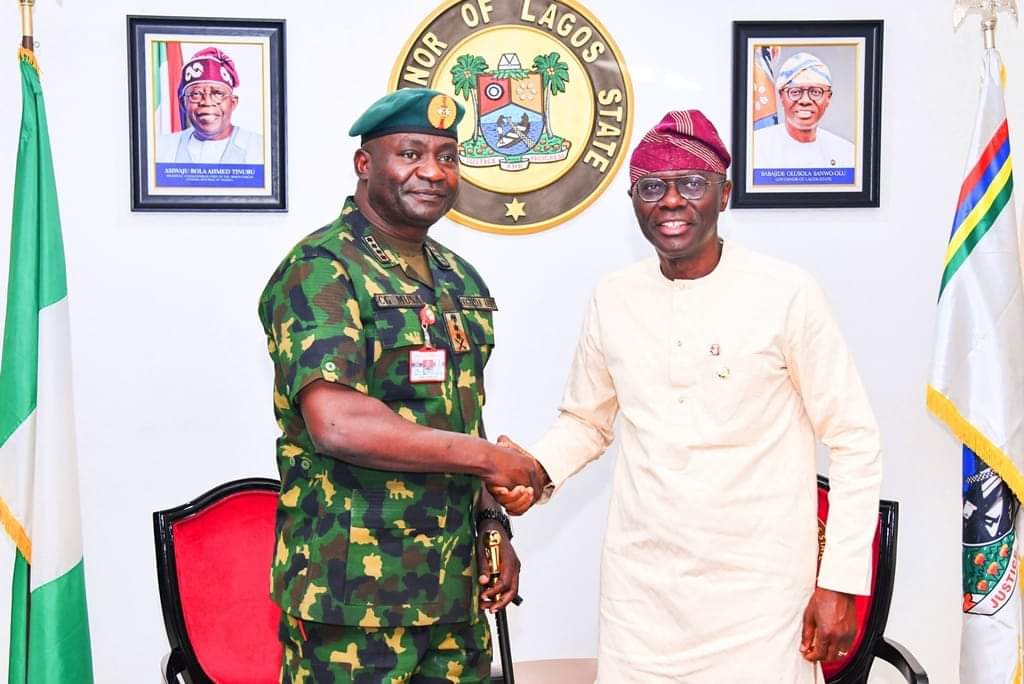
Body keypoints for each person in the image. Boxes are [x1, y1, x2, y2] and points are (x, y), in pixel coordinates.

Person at [492, 110, 882, 682]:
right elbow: (586, 421)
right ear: (634, 202)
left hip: (761, 592)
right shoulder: (614, 297)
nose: (671, 201)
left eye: (691, 184)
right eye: (652, 187)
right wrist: (534, 469)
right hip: (642, 594)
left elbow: (854, 439)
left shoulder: (786, 293)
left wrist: (841, 580)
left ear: (724, 195)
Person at [258, 88, 541, 683]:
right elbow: (338, 423)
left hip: (451, 596)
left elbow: (462, 418)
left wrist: (492, 524)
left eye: (446, 155)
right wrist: (491, 460)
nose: (433, 172)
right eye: (410, 153)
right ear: (366, 165)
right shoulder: (323, 269)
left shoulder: (457, 277)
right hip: (353, 601)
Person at [155, 47, 263, 164]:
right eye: (196, 94)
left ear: (233, 103)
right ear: (183, 104)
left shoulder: (260, 148)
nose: (207, 102)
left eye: (218, 93)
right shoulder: (161, 148)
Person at [752, 52, 855, 169]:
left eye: (815, 92)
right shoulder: (755, 148)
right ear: (781, 96)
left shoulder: (847, 153)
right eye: (795, 92)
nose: (805, 100)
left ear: (828, 97)